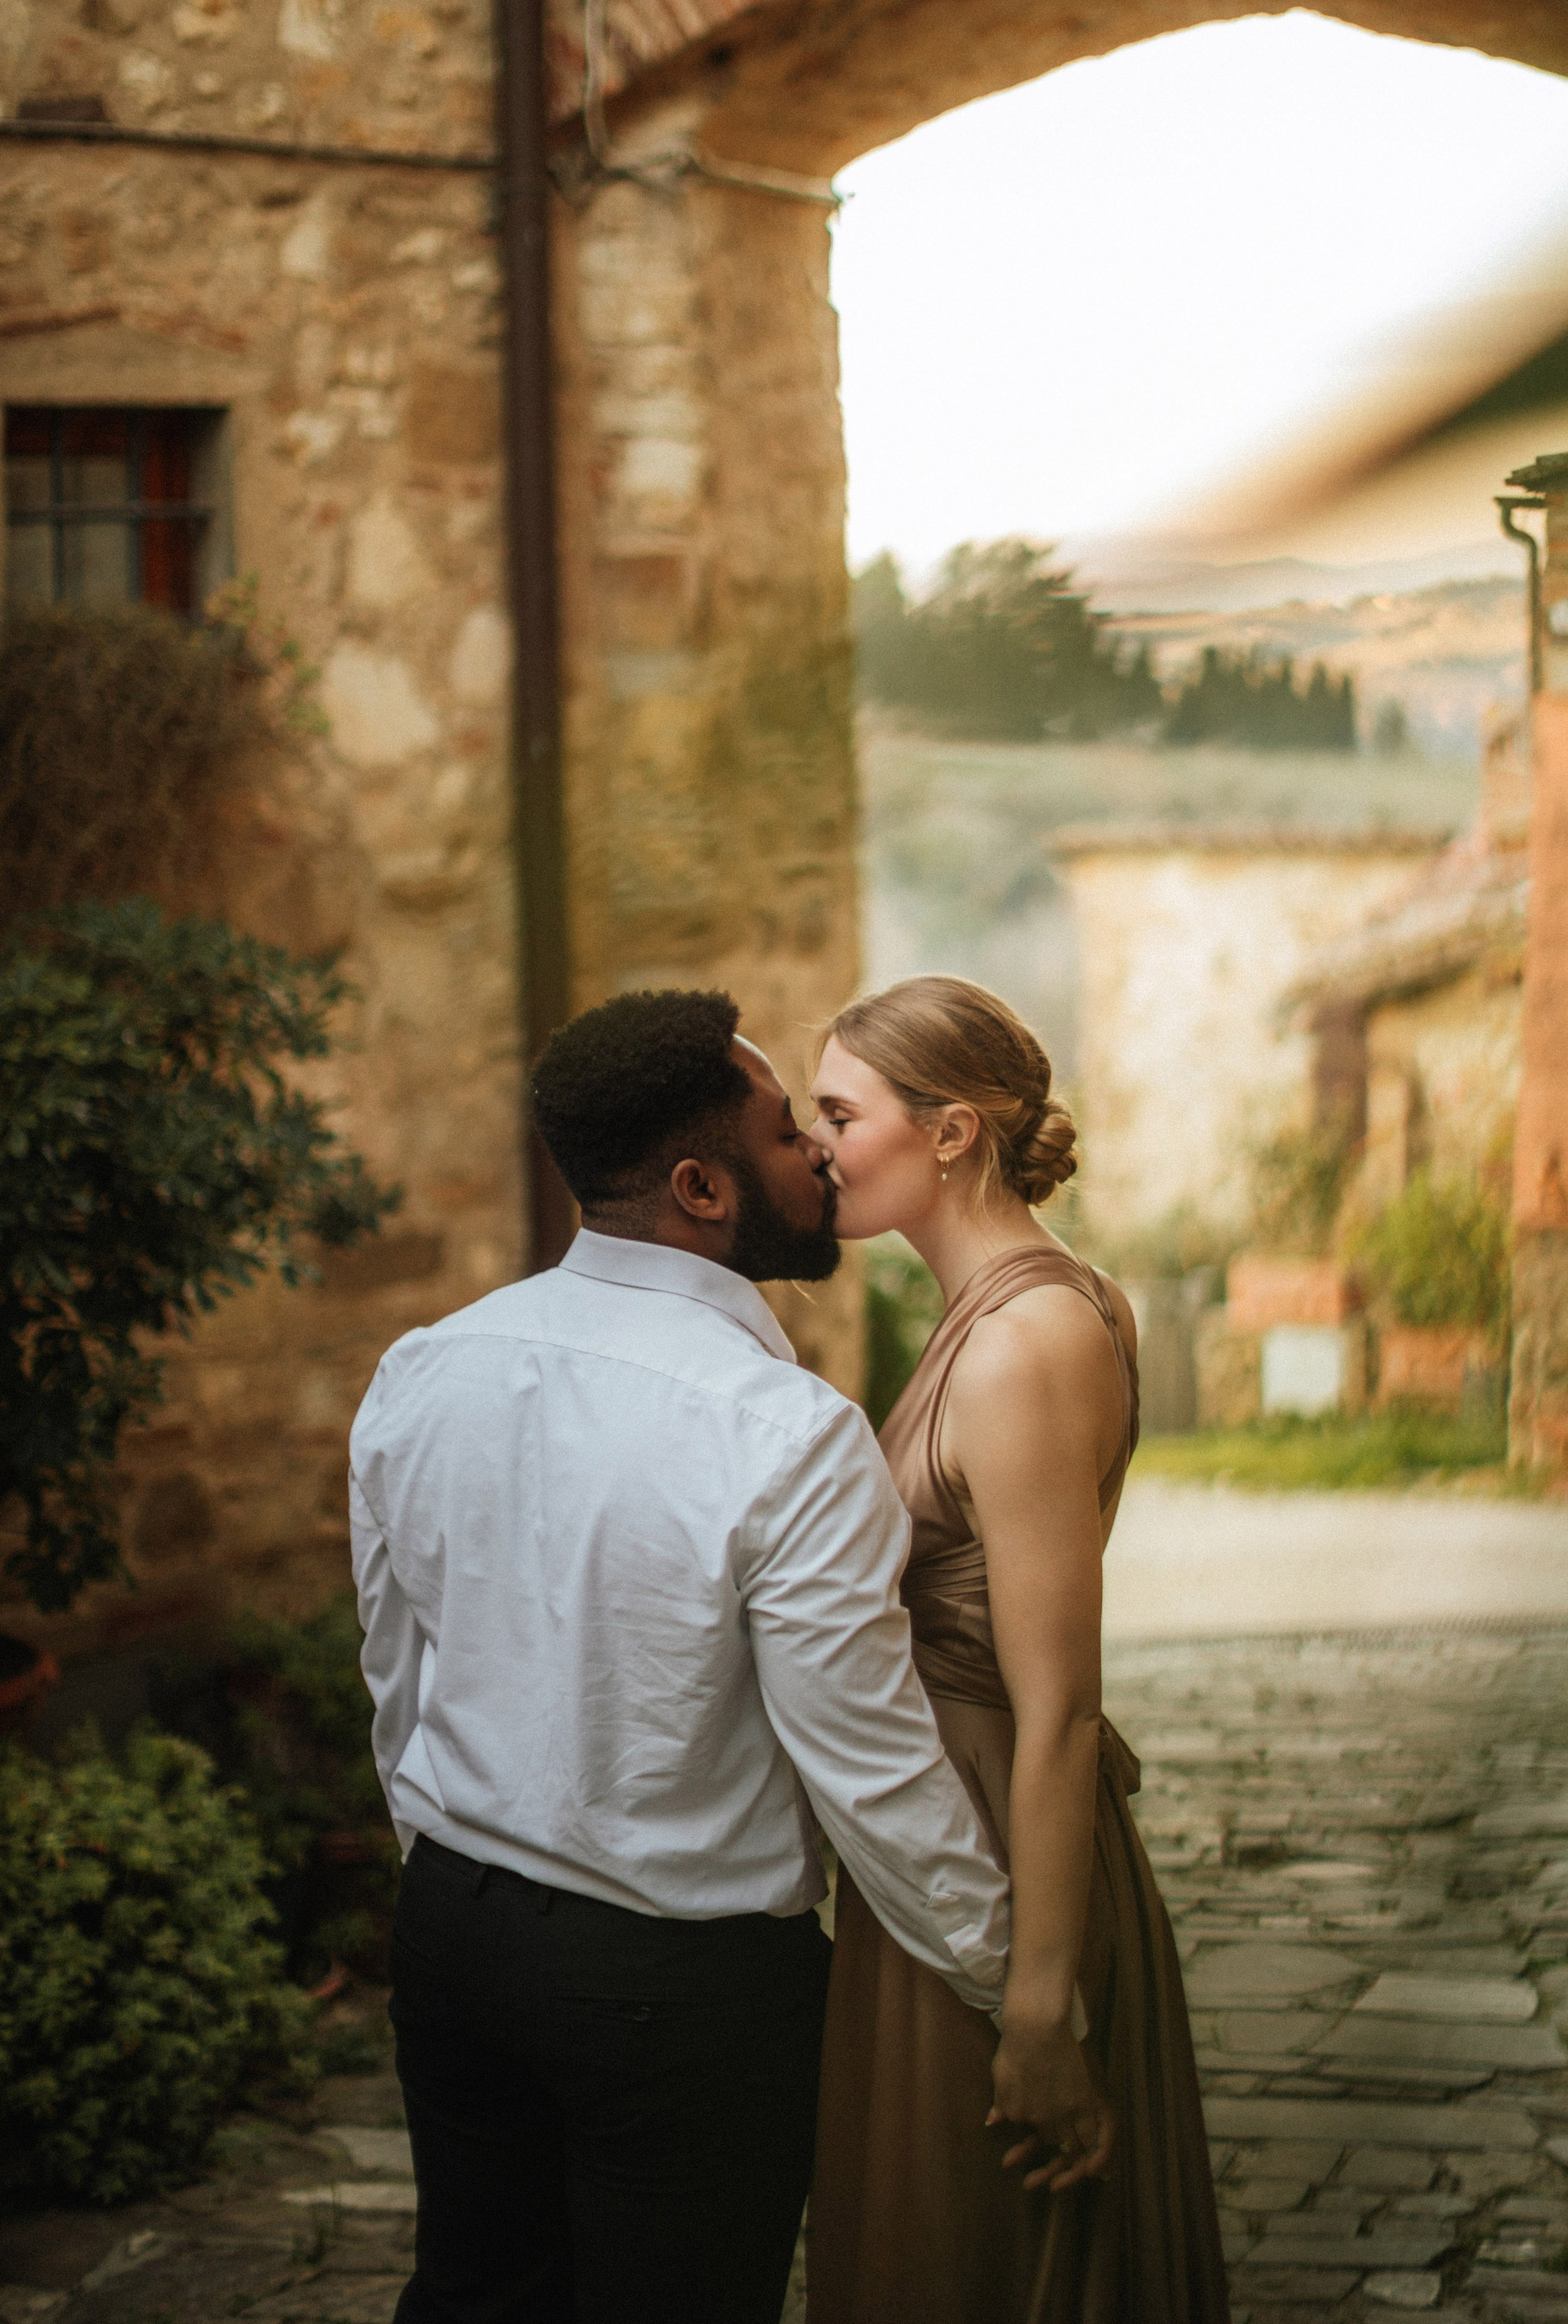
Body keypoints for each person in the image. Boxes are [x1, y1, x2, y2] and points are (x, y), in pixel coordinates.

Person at [350, 989, 1021, 2324]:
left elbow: (397, 1675)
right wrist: (1018, 1986)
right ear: (704, 1187)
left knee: (476, 2297)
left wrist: (454, 1866)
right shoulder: (786, 1432)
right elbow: (870, 1771)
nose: (821, 1157)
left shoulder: (425, 1367)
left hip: (454, 1944)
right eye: (790, 1134)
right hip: (683, 1993)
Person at [805, 975, 1230, 2324]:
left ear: (949, 1134)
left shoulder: (1025, 1343)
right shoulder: (1006, 1310)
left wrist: (1037, 1996)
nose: (815, 1146)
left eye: (837, 1113)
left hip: (1000, 1851)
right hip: (948, 1829)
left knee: (984, 2259)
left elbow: (1056, 1706)